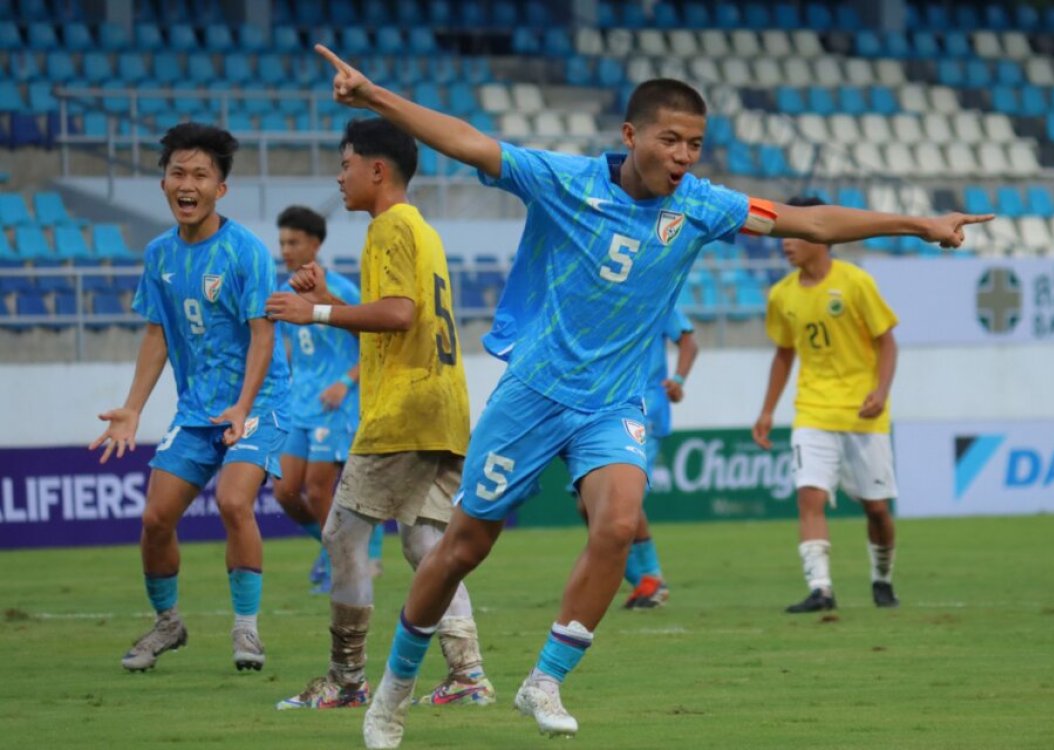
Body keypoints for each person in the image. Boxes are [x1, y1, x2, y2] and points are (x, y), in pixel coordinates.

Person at [312, 44, 990, 748]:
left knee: (616, 523)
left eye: (696, 143)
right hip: (535, 393)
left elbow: (808, 222)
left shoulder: (704, 206)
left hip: (617, 402)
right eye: (671, 139)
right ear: (631, 136)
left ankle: (543, 680)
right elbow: (471, 144)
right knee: (461, 549)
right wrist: (376, 97)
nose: (685, 155)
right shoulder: (565, 181)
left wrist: (919, 224)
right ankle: (391, 694)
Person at [265, 118, 494, 713]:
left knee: (342, 533)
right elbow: (403, 321)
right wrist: (336, 302)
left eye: (344, 164)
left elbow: (395, 316)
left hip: (402, 409)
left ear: (376, 169)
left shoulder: (387, 228)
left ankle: (345, 680)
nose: (338, 177)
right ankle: (468, 673)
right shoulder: (421, 228)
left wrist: (314, 313)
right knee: (425, 545)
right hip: (442, 406)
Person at [89, 123, 291, 673]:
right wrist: (132, 407)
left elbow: (263, 334)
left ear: (220, 189)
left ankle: (246, 630)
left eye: (201, 174)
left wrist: (244, 407)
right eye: (178, 172)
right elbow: (157, 332)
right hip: (196, 410)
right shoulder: (158, 256)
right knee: (155, 519)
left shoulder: (245, 251)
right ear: (163, 184)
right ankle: (168, 624)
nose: (188, 182)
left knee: (232, 501)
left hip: (257, 400)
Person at [752, 196, 902, 614]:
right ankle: (821, 588)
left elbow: (886, 341)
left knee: (876, 510)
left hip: (862, 414)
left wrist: (881, 390)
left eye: (794, 233)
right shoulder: (781, 295)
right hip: (812, 411)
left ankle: (882, 577)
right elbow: (784, 354)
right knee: (809, 497)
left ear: (822, 236)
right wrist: (766, 411)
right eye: (783, 234)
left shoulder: (855, 282)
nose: (785, 242)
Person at [270, 205, 384, 594]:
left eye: (294, 241)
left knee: (319, 489)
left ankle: (345, 563)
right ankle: (334, 548)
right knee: (284, 491)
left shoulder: (342, 290)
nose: (286, 249)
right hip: (299, 404)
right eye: (283, 242)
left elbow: (371, 343)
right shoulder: (283, 292)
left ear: (315, 245)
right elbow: (296, 347)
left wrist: (344, 382)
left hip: (335, 403)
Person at [580, 306, 698, 610]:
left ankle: (651, 579)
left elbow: (688, 340)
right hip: (603, 408)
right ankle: (642, 580)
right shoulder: (600, 300)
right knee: (587, 505)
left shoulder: (657, 296)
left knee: (622, 497)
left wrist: (679, 380)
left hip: (646, 410)